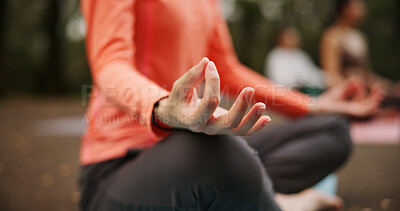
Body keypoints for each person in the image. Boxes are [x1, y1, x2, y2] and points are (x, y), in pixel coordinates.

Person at [79, 0, 382, 210]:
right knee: (219, 151)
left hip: (195, 151)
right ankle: (278, 203)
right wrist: (161, 106)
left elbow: (226, 69)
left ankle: (248, 189)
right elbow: (110, 63)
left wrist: (313, 104)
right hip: (120, 169)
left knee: (333, 131)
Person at [320, 0, 400, 109]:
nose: (363, 10)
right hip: (347, 96)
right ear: (345, 9)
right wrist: (350, 91)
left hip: (364, 92)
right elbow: (331, 76)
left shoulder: (360, 37)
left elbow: (366, 75)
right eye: (358, 6)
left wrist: (390, 86)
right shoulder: (332, 37)